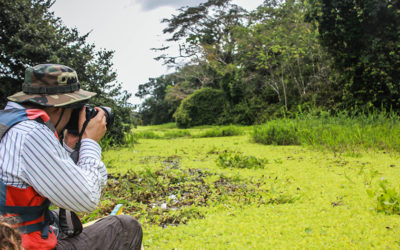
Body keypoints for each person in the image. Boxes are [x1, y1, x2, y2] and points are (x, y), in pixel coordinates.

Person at [0, 64, 143, 249]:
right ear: (60, 108)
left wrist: (68, 147)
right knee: (124, 227)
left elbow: (48, 182)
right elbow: (87, 198)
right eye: (74, 109)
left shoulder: (10, 123)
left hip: (13, 238)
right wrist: (90, 142)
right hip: (21, 245)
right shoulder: (31, 134)